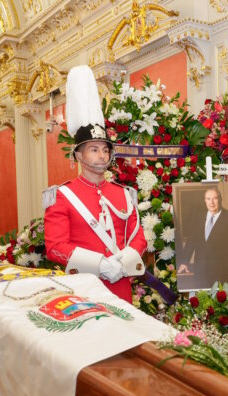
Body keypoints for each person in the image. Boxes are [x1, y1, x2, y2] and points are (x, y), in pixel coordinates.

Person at [44, 66, 146, 303]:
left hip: (121, 287)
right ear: (78, 155)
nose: (101, 155)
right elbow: (55, 246)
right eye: (93, 149)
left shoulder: (124, 193)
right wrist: (99, 264)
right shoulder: (62, 195)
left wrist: (124, 262)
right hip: (83, 289)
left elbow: (138, 236)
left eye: (105, 150)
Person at [177, 187, 228, 286]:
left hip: (222, 271)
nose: (211, 202)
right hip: (200, 271)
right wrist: (184, 262)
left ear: (220, 199)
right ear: (205, 200)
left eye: (215, 198)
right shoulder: (198, 217)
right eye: (208, 199)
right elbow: (191, 241)